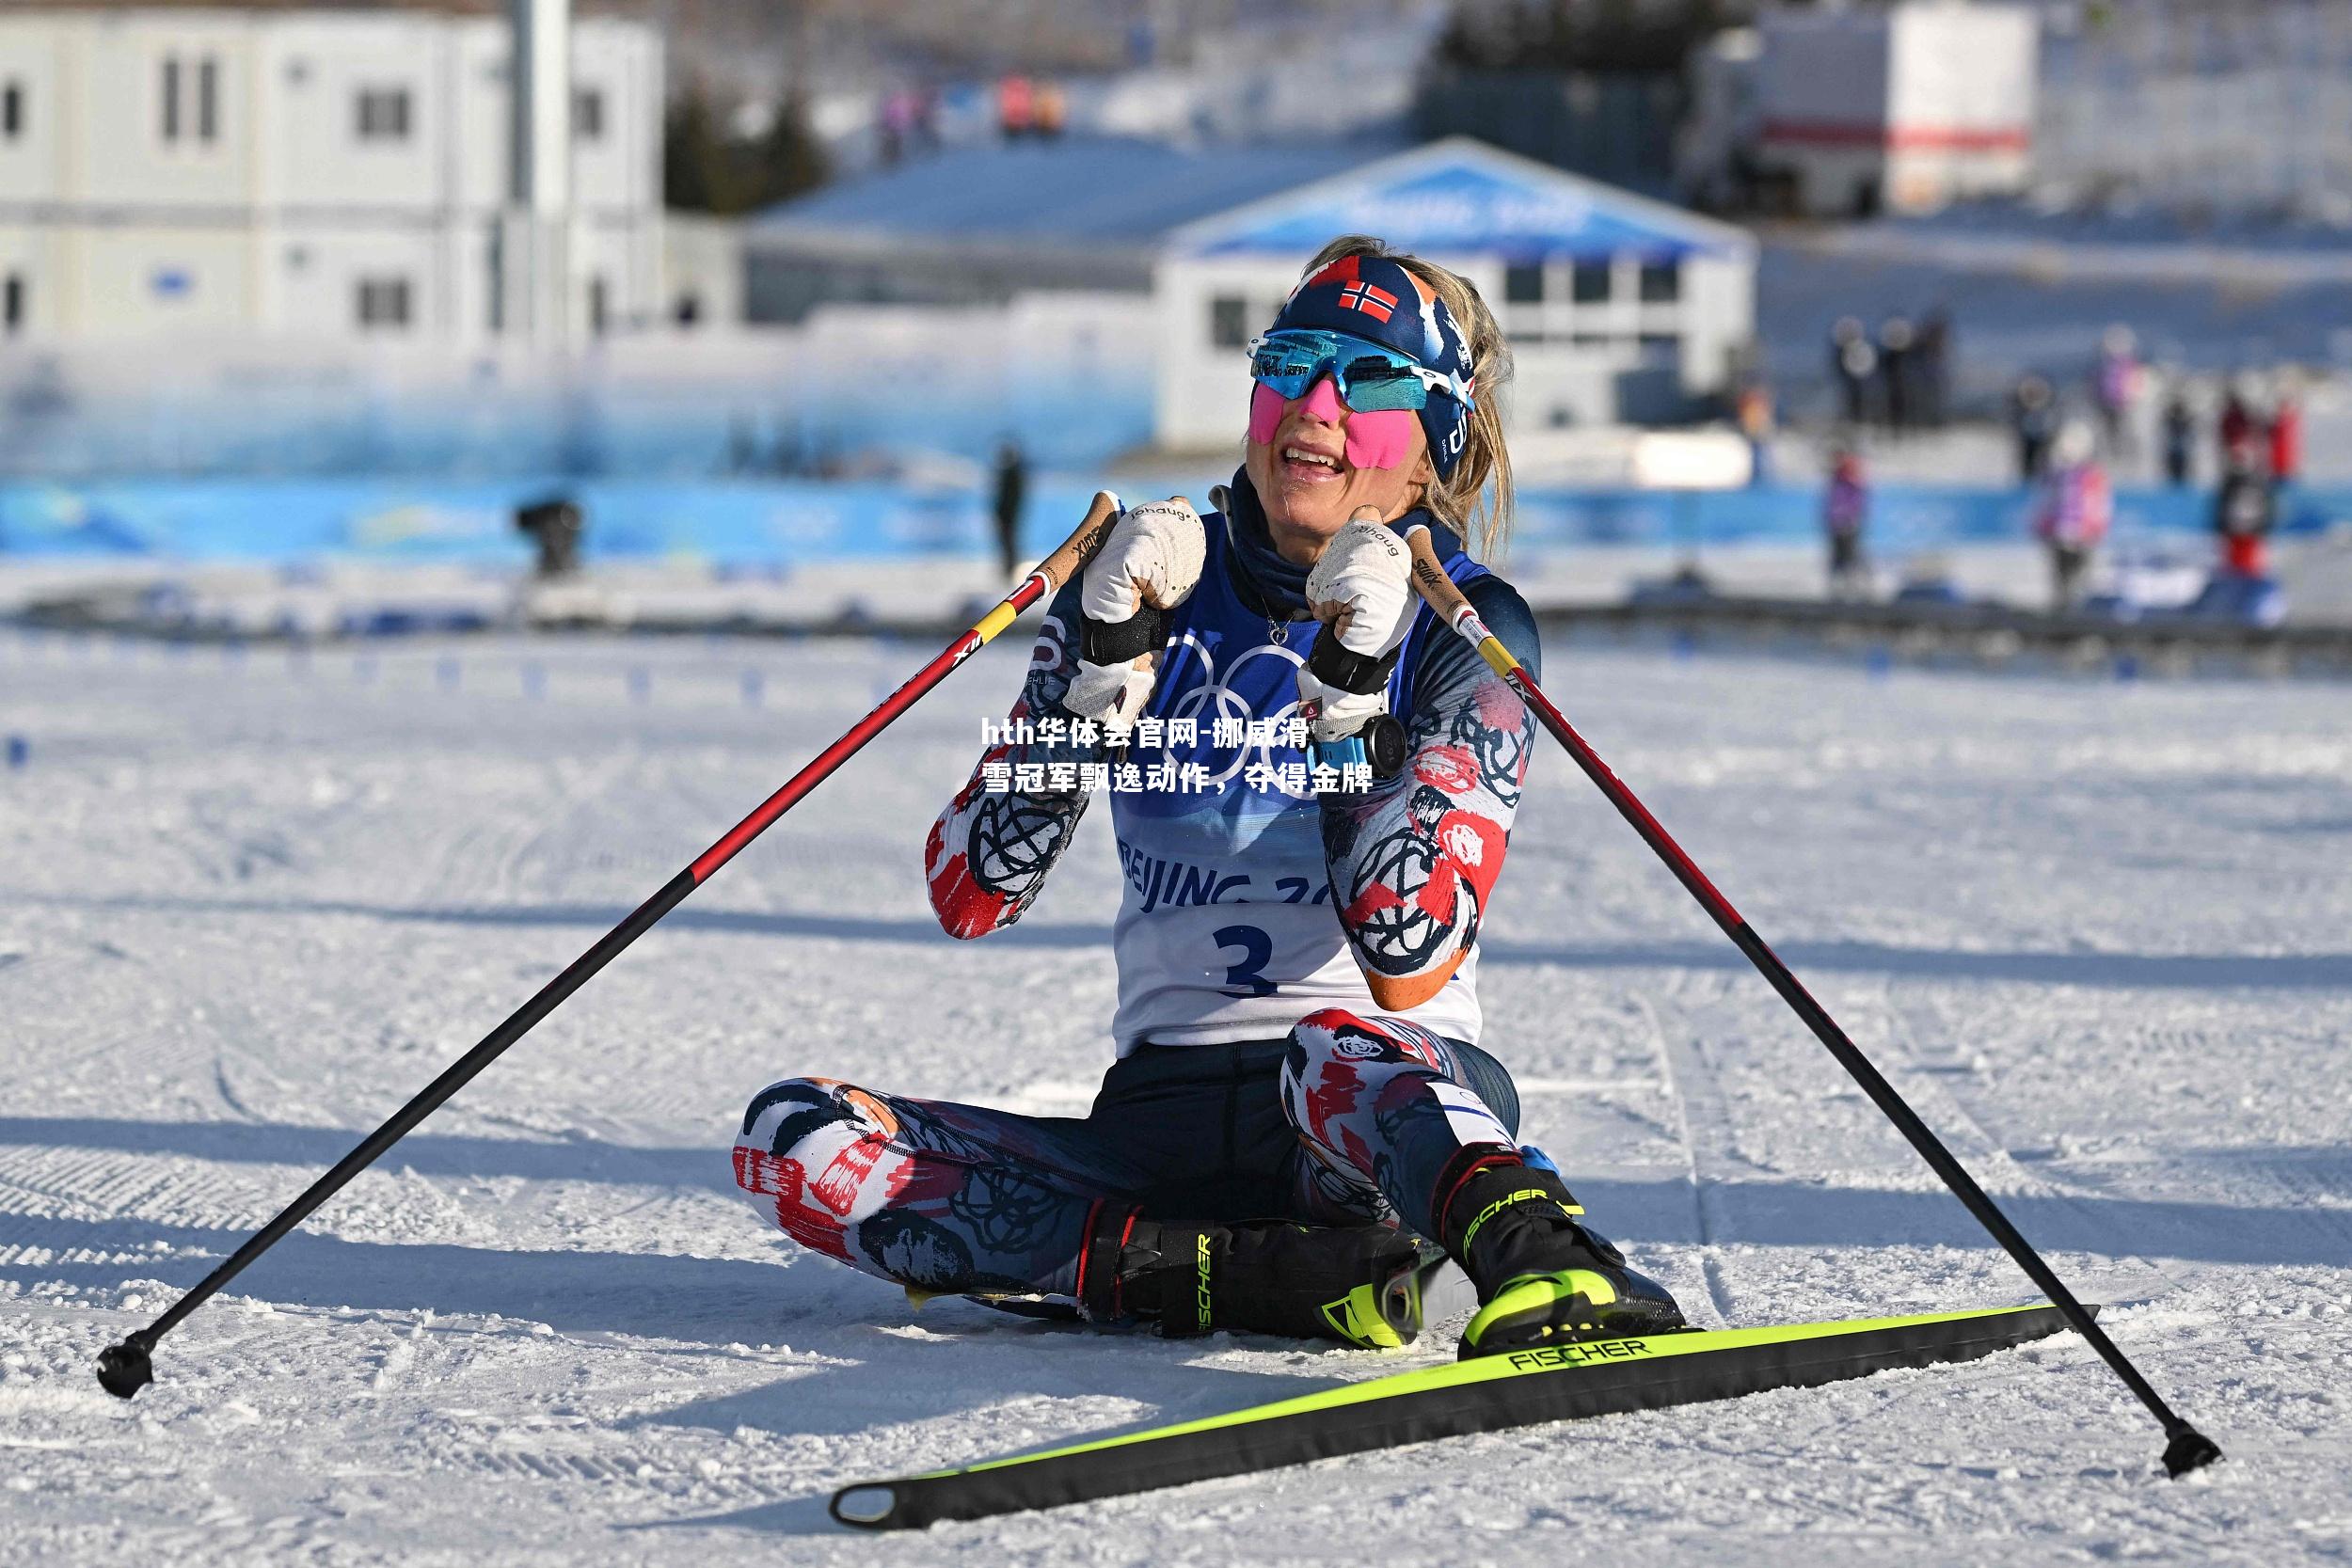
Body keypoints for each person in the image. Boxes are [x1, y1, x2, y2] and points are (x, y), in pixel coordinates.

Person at [733, 237, 1686, 1359]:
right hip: (1160, 1119)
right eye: (1291, 362)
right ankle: (1245, 1276)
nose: (1316, 404)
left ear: (1436, 442)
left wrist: (1347, 704)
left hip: (1365, 1115)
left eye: (1370, 378)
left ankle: (1545, 1262)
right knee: (791, 1137)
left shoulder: (1465, 623)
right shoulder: (1146, 582)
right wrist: (1087, 686)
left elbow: (1405, 950)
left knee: (1338, 1041)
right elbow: (969, 890)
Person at [2032, 420, 2111, 610]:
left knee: (2079, 578)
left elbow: (2099, 505)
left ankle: (2077, 612)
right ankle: (2062, 612)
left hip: (2082, 536)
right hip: (2059, 535)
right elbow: (2048, 502)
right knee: (2060, 578)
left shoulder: (2092, 476)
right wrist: (2044, 525)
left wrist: (2095, 528)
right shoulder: (2056, 475)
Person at [1822, 444, 1869, 599]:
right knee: (1839, 555)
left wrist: (1850, 518)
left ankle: (1856, 584)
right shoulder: (1837, 478)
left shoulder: (1852, 479)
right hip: (1837, 523)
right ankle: (1839, 585)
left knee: (1851, 554)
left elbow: (1855, 502)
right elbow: (1832, 502)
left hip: (1848, 523)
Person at [991, 437, 1027, 582]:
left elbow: (1012, 498)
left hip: (1009, 515)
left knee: (1009, 544)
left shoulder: (1013, 474)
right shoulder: (1010, 473)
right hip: (1006, 514)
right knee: (1007, 544)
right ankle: (1008, 570)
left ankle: (1011, 570)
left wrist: (1006, 513)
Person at [2012, 374, 2058, 483]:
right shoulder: (2022, 408)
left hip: (2042, 437)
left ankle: (2044, 479)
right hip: (2028, 438)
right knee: (2028, 459)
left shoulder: (2045, 407)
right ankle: (2027, 480)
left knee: (2044, 458)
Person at [2161, 386, 2195, 488]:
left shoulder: (2184, 419)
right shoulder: (2170, 419)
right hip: (2174, 449)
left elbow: (2190, 433)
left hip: (2180, 449)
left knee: (2181, 472)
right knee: (2173, 472)